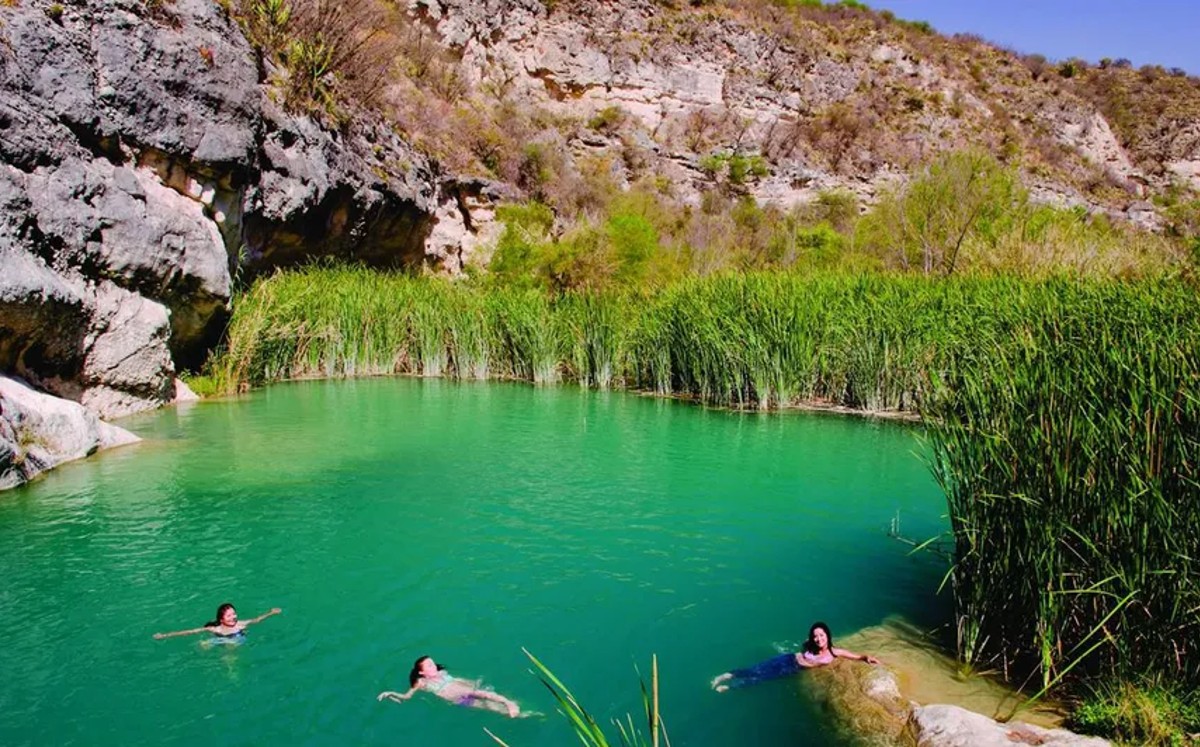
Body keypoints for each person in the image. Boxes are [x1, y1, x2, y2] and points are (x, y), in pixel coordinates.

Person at [711, 621, 880, 692]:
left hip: (792, 669)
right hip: (787, 658)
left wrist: (866, 658)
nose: (818, 639)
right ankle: (727, 675)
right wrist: (806, 647)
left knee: (761, 678)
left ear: (828, 635)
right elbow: (804, 645)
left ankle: (731, 687)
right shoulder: (810, 644)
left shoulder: (834, 652)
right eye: (815, 636)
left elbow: (854, 656)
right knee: (755, 669)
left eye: (821, 635)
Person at [377, 656, 521, 717]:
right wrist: (390, 693)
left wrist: (472, 682)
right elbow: (407, 696)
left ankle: (508, 702)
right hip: (456, 699)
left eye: (433, 663)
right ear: (422, 672)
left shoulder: (442, 672)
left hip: (461, 689)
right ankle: (526, 715)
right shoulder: (421, 682)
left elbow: (457, 679)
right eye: (429, 665)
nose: (433, 666)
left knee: (485, 694)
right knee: (488, 707)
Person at [152, 603, 282, 643]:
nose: (234, 617)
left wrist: (271, 612)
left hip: (235, 638)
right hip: (221, 640)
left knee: (234, 643)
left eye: (234, 614)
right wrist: (164, 636)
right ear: (221, 620)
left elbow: (256, 620)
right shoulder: (216, 629)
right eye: (229, 616)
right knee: (206, 644)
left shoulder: (241, 624)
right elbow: (191, 631)